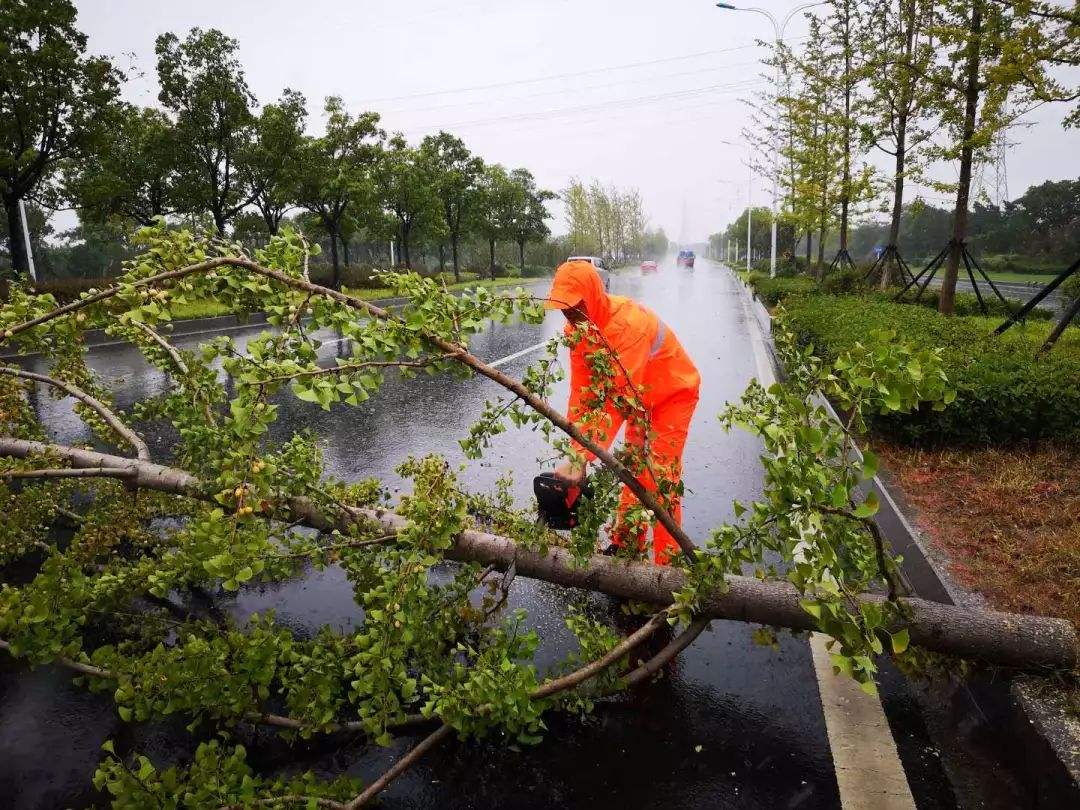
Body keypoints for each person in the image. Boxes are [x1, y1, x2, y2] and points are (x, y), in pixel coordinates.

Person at [545, 259, 701, 565]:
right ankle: (625, 545)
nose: (569, 312)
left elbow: (617, 399)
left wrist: (582, 457)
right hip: (639, 402)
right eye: (563, 306)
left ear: (592, 296)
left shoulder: (628, 326)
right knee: (634, 472)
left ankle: (667, 571)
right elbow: (583, 394)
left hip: (672, 395)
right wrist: (577, 449)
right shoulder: (576, 330)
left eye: (575, 305)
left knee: (660, 479)